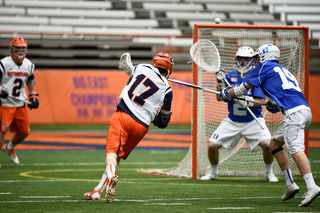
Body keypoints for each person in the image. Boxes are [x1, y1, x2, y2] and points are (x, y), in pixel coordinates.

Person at [219, 44, 320, 207]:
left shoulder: (263, 68)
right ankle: (289, 184)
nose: (256, 61)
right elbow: (284, 93)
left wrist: (225, 93)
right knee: (274, 145)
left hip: (293, 114)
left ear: (265, 56)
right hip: (303, 110)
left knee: (296, 150)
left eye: (258, 57)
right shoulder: (283, 70)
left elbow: (240, 91)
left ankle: (311, 186)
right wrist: (273, 104)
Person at [84, 52, 174, 203]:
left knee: (111, 154)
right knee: (118, 156)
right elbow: (163, 122)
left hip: (123, 116)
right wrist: (156, 118)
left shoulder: (141, 68)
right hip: (141, 127)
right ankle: (98, 190)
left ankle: (111, 176)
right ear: (168, 69)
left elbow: (131, 77)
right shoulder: (168, 90)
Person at [200, 46, 278, 182]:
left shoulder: (256, 76)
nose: (242, 61)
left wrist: (247, 101)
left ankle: (269, 173)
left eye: (246, 59)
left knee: (267, 144)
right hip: (233, 120)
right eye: (240, 58)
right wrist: (220, 84)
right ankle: (213, 173)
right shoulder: (229, 77)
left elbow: (261, 101)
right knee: (212, 145)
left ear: (252, 60)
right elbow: (219, 97)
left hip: (253, 120)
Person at [0, 37, 39, 167]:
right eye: (18, 49)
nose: (21, 51)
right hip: (5, 103)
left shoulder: (28, 64)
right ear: (11, 49)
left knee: (25, 132)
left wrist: (33, 95)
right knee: (2, 131)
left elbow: (30, 80)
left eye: (23, 49)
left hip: (20, 102)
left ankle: (9, 148)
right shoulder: (4, 63)